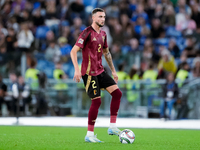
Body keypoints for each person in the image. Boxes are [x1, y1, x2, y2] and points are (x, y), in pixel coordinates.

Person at [70, 8, 122, 143]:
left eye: (104, 17)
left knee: (117, 94)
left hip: (100, 71)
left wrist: (113, 71)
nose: (102, 19)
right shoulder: (86, 32)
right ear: (93, 18)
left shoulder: (103, 34)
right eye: (100, 17)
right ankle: (89, 134)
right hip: (89, 73)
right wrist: (77, 70)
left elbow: (107, 53)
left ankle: (112, 126)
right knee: (97, 101)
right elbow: (73, 51)